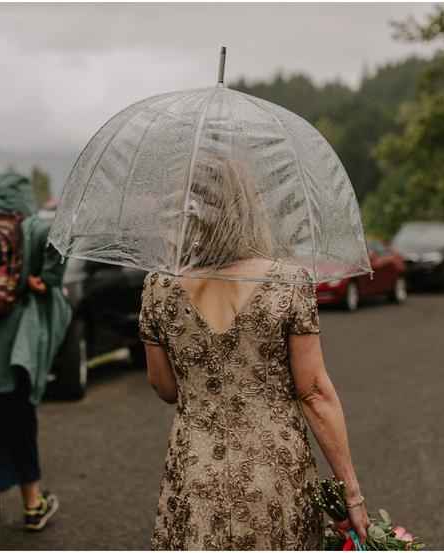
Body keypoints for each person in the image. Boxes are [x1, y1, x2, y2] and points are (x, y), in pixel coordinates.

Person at [138, 156, 370, 550]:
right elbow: (313, 393)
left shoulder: (158, 286)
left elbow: (165, 387)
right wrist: (352, 494)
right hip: (275, 471)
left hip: (196, 472)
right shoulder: (287, 282)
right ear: (247, 207)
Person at [0, 172, 71, 531]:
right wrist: (44, 281)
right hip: (15, 354)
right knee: (19, 426)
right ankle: (32, 504)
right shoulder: (32, 228)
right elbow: (58, 246)